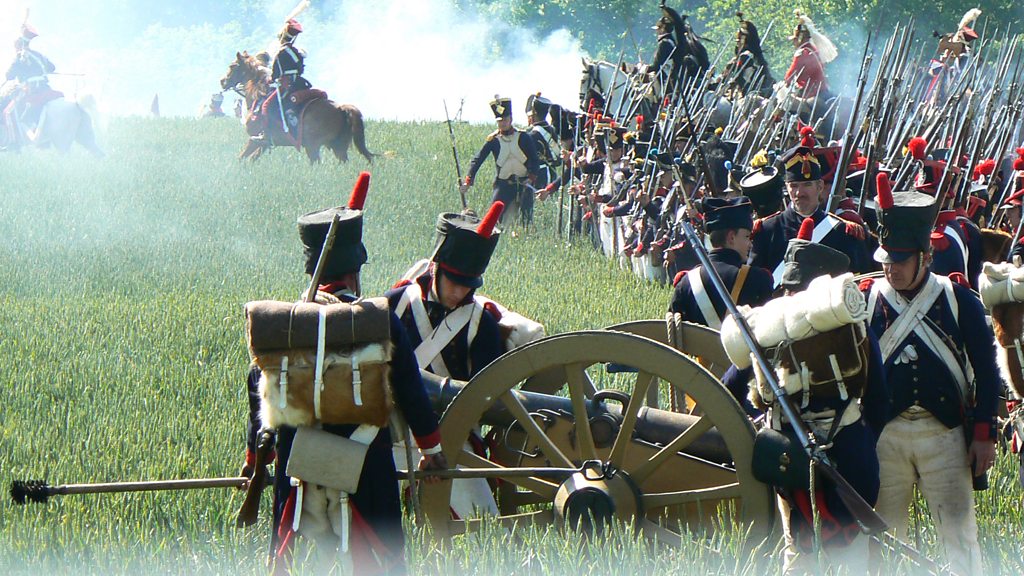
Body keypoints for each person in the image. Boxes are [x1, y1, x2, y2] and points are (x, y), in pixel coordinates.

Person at [243, 174, 446, 575]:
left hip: (298, 470)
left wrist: (254, 459)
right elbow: (409, 388)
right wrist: (432, 450)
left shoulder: (284, 325)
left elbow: (258, 392)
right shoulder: (379, 321)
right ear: (355, 272)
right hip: (365, 466)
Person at [860, 173, 999, 576]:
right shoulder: (866, 300)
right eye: (887, 260)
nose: (891, 269)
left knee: (961, 539)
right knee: (884, 543)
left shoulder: (959, 300)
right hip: (886, 436)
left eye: (901, 260)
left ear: (925, 257)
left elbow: (987, 370)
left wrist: (984, 434)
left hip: (945, 435)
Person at [744, 218, 888, 574]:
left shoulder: (771, 330)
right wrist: (859, 438)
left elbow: (735, 381)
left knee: (799, 553)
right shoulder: (855, 331)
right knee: (845, 558)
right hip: (846, 454)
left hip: (791, 457)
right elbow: (880, 400)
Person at [749, 145, 871, 285]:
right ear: (787, 187)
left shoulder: (842, 232)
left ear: (819, 186)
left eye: (807, 185)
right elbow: (754, 284)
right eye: (794, 186)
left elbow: (858, 282)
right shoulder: (767, 229)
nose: (799, 193)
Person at [668, 196, 773, 329]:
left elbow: (675, 332)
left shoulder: (686, 282)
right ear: (731, 237)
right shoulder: (758, 278)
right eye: (747, 236)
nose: (750, 244)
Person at [461, 96, 540, 227]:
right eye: (500, 121)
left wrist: (531, 178)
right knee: (493, 219)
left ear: (511, 119)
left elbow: (535, 159)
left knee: (526, 220)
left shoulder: (524, 137)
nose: (502, 123)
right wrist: (468, 181)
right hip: (503, 185)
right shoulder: (493, 140)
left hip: (524, 183)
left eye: (505, 120)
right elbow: (478, 159)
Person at [3, 24, 57, 147]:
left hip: (30, 90)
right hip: (45, 88)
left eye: (15, 46)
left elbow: (9, 76)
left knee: (7, 113)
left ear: (18, 45)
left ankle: (13, 144)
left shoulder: (19, 57)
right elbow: (52, 68)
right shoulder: (39, 55)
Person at [784, 11, 837, 100]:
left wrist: (784, 85)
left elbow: (789, 77)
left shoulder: (801, 53)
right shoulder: (814, 50)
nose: (794, 43)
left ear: (800, 38)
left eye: (795, 39)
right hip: (823, 91)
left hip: (811, 94)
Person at [270, 19, 311, 130]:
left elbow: (275, 74)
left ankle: (280, 128)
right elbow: (301, 69)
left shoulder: (280, 53)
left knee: (270, 105)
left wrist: (272, 80)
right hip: (300, 82)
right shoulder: (297, 52)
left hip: (288, 84)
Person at [724, 12, 775, 98]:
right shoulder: (756, 57)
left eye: (739, 40)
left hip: (751, 95)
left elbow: (738, 78)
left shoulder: (745, 57)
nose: (737, 43)